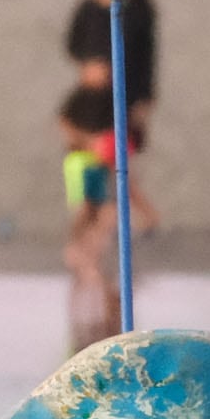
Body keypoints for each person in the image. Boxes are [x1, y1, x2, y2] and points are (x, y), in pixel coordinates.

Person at [58, 54, 154, 351]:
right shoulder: (110, 135)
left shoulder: (108, 121)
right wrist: (147, 212)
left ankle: (93, 313)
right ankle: (100, 311)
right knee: (96, 239)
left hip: (88, 170)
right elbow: (123, 179)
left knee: (96, 242)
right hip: (89, 172)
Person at [66, 0, 158, 154]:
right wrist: (88, 66)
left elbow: (146, 59)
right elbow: (74, 44)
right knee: (81, 147)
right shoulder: (88, 10)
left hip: (126, 94)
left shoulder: (137, 14)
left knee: (115, 155)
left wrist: (145, 97)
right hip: (93, 95)